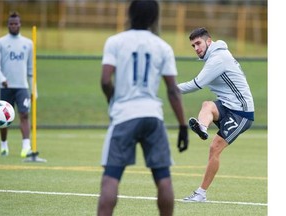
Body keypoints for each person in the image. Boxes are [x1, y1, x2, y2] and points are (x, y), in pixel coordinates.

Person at [97, 1, 189, 215]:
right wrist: (183, 126)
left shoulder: (115, 42)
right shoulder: (163, 46)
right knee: (163, 179)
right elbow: (173, 90)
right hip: (152, 116)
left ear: (129, 14)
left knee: (111, 178)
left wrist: (114, 100)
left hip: (124, 116)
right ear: (154, 18)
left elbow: (104, 80)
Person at [177, 27, 254, 202]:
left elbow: (196, 84)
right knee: (207, 105)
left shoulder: (217, 58)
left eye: (198, 43)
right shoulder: (215, 55)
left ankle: (201, 194)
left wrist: (171, 89)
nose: (196, 48)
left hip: (241, 113)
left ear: (208, 42)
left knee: (214, 148)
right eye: (193, 45)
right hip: (228, 106)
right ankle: (202, 128)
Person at [0, 11, 33, 158]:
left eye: (16, 23)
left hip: (22, 86)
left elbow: (31, 69)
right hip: (6, 86)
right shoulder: (1, 42)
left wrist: (33, 89)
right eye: (11, 24)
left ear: (20, 24)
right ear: (8, 25)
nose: (13, 26)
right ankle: (4, 145)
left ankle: (26, 146)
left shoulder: (28, 43)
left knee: (24, 114)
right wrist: (1, 79)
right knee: (3, 118)